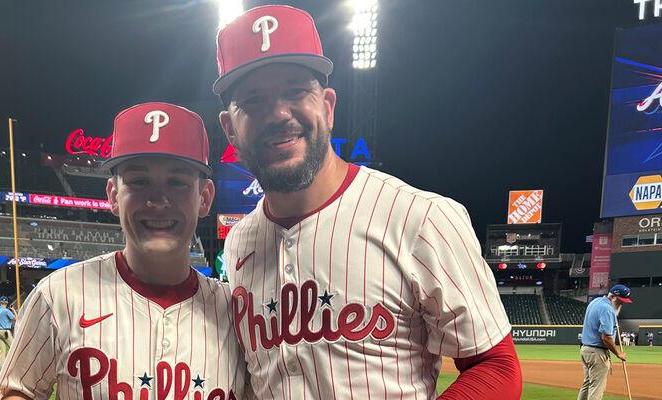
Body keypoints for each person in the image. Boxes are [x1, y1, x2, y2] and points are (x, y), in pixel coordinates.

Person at [214, 5, 521, 399]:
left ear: (326, 106)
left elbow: (496, 365)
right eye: (252, 101)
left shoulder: (421, 218)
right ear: (230, 129)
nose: (277, 113)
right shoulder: (240, 242)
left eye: (295, 90)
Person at [0, 102, 248, 399]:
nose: (159, 199)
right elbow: (15, 392)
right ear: (114, 195)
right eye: (139, 181)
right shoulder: (59, 294)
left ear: (204, 197)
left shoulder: (234, 311)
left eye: (177, 182)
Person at [578, 284, 632, 400]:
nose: (622, 304)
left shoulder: (595, 301)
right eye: (620, 301)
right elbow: (606, 337)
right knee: (596, 388)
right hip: (597, 353)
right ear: (613, 297)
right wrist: (618, 353)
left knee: (587, 384)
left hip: (586, 350)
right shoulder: (607, 310)